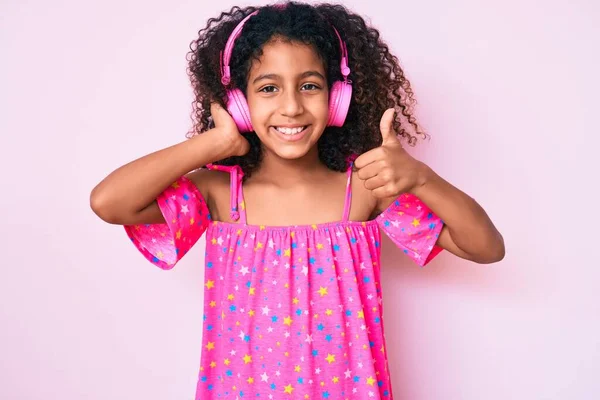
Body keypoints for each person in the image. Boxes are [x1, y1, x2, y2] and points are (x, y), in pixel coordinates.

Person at [90, 1, 504, 399]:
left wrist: (421, 178)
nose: (291, 106)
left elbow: (484, 247)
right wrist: (213, 143)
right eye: (268, 88)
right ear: (239, 103)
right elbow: (109, 202)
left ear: (338, 99)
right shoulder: (220, 194)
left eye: (310, 86)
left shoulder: (361, 191)